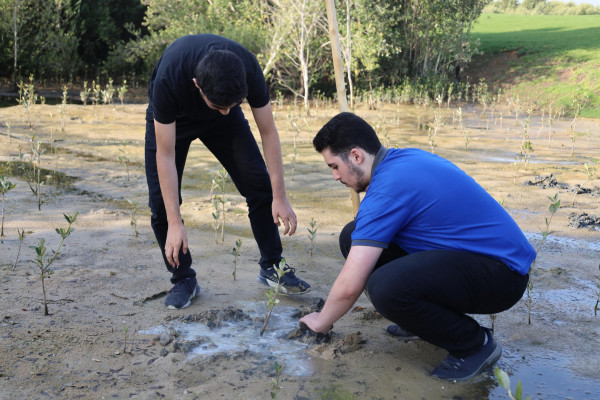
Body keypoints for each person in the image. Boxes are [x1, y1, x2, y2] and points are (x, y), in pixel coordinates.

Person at [300, 112, 535, 381]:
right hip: (476, 260)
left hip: (502, 274)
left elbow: (351, 283)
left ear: (356, 156)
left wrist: (321, 321)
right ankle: (424, 323)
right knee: (353, 236)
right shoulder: (401, 160)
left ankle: (474, 345)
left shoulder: (388, 188)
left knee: (384, 287)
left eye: (334, 166)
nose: (334, 176)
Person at [145, 34, 311, 310]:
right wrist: (175, 223)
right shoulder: (169, 79)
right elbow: (165, 154)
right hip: (174, 119)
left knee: (259, 184)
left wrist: (279, 196)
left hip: (221, 108)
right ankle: (183, 279)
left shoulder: (247, 69)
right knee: (162, 205)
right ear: (197, 85)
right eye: (219, 107)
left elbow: (268, 132)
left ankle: (272, 267)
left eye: (231, 106)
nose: (225, 112)